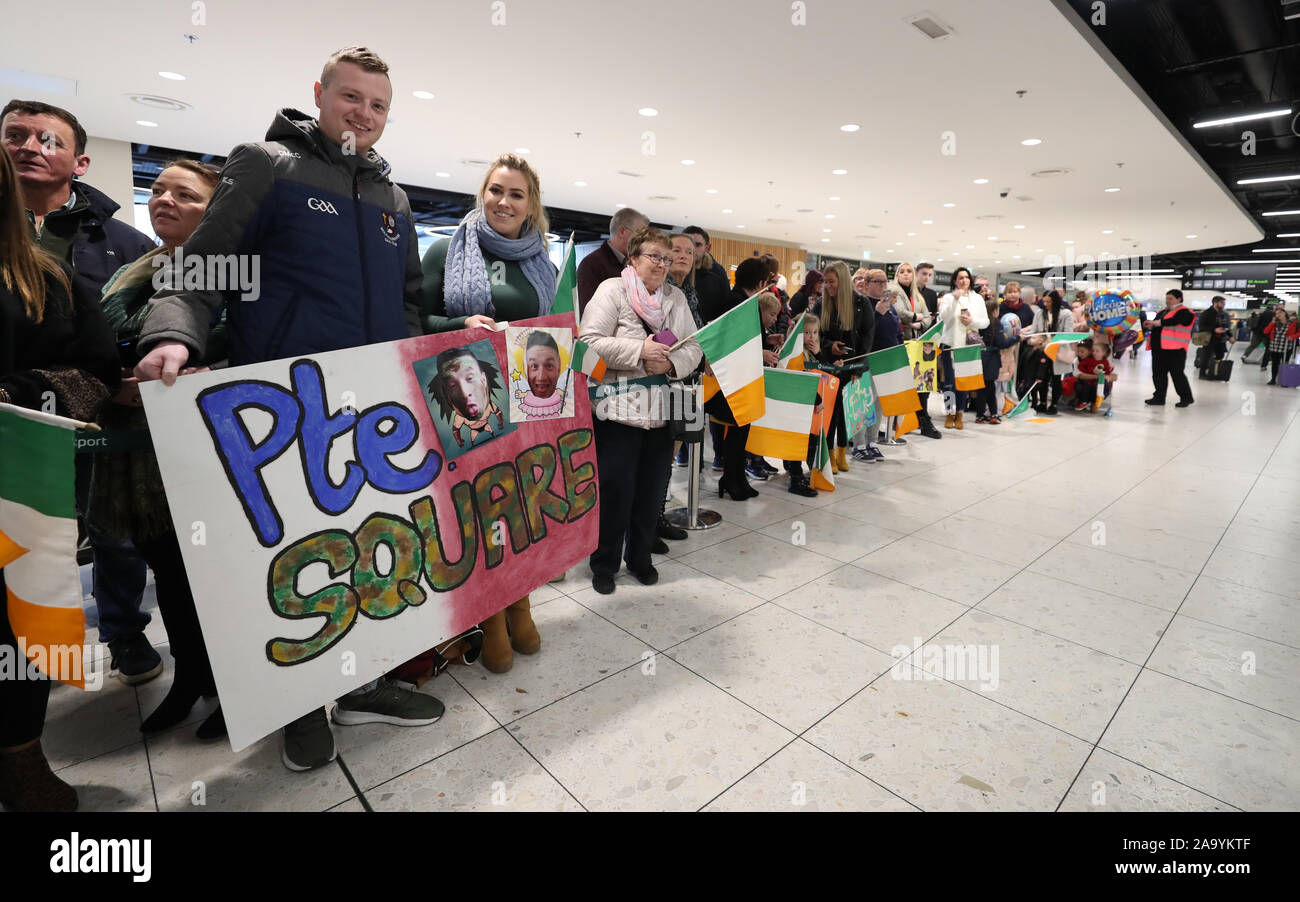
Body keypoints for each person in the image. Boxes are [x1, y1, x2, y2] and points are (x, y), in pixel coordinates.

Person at [133, 46, 445, 772]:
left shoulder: (393, 201)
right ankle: (299, 704)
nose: (364, 114)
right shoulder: (268, 164)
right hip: (282, 413)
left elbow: (405, 308)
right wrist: (174, 334)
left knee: (370, 547)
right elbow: (199, 271)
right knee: (294, 562)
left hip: (370, 416)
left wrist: (443, 352)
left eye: (379, 106)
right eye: (352, 97)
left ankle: (367, 683)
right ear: (320, 94)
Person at [2, 99, 160, 686]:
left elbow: (146, 320)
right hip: (11, 425)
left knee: (111, 530)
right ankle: (29, 674)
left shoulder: (123, 240)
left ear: (80, 161)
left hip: (100, 410)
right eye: (15, 136)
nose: (29, 147)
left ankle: (122, 634)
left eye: (49, 140)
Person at [88, 160, 233, 738]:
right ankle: (191, 676)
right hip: (133, 451)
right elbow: (100, 336)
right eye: (159, 190)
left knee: (217, 573)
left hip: (202, 445)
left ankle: (235, 682)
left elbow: (241, 350)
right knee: (168, 571)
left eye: (186, 195)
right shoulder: (131, 272)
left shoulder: (232, 276)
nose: (165, 200)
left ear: (216, 212)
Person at [0, 145, 120, 810]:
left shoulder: (44, 278)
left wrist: (13, 393)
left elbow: (95, 375)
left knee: (16, 625)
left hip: (19, 483)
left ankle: (19, 752)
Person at [422, 151, 558, 672]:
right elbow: (411, 319)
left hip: (522, 404)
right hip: (461, 408)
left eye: (516, 194)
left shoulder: (539, 262)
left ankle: (519, 601)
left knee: (518, 504)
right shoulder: (443, 251)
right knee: (476, 510)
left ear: (531, 205)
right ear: (483, 194)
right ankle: (488, 617)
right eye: (496, 190)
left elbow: (545, 328)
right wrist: (457, 326)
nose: (504, 201)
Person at [579, 226, 701, 594]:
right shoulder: (611, 291)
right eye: (654, 257)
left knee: (650, 493)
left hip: (662, 414)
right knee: (616, 491)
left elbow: (693, 349)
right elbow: (588, 344)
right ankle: (604, 563)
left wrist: (671, 365)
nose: (662, 264)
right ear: (633, 258)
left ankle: (640, 558)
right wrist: (639, 352)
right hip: (617, 413)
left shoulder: (675, 299)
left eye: (667, 258)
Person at [709, 258, 768, 495]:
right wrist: (761, 350)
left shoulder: (734, 300)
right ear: (762, 282)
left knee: (738, 432)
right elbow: (736, 341)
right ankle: (733, 481)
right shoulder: (743, 304)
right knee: (738, 432)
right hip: (736, 379)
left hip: (734, 377)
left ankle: (734, 479)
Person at [818, 261, 872, 470]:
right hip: (829, 369)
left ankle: (842, 454)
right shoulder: (821, 304)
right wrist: (830, 346)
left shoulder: (861, 303)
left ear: (843, 280)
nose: (828, 286)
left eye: (831, 282)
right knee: (830, 414)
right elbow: (813, 334)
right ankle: (830, 455)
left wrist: (857, 369)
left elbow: (868, 339)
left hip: (853, 369)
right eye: (825, 282)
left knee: (847, 414)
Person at [937, 266, 988, 429]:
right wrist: (954, 300)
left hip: (968, 347)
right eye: (960, 278)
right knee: (949, 383)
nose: (964, 280)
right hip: (950, 345)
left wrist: (972, 321)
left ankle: (959, 413)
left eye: (966, 277)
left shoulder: (978, 299)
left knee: (964, 382)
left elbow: (985, 322)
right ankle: (949, 413)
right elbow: (943, 317)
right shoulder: (948, 297)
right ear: (955, 281)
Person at [576, 207, 648, 314]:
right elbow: (588, 311)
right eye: (640, 236)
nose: (643, 242)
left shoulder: (634, 265)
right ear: (622, 231)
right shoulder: (591, 264)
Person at [782, 313, 822, 497]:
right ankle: (796, 478)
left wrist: (819, 354)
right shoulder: (796, 352)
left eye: (815, 332)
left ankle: (793, 468)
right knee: (797, 439)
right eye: (807, 332)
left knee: (800, 439)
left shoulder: (807, 350)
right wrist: (817, 399)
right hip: (797, 402)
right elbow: (802, 379)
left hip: (801, 403)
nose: (812, 337)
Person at [1025, 289, 1074, 414]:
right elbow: (1035, 330)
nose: (1045, 304)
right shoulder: (1040, 313)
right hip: (1042, 350)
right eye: (1044, 301)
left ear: (1055, 301)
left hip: (1058, 350)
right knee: (1042, 377)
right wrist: (1029, 338)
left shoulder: (1066, 314)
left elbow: (1068, 333)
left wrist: (1052, 340)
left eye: (1048, 302)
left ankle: (1054, 404)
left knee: (1056, 378)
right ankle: (1042, 402)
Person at [1145, 289, 1196, 408]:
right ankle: (1159, 397)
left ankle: (1186, 398)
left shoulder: (1185, 312)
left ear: (1179, 299)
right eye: (1167, 298)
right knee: (1158, 375)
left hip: (1176, 350)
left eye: (1170, 298)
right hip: (1159, 349)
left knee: (1177, 375)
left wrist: (1157, 323)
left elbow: (1175, 321)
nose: (1167, 301)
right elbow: (1158, 324)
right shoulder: (1162, 312)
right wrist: (1150, 325)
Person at [972, 296, 1015, 423]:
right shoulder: (996, 322)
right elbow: (1001, 343)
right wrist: (1016, 338)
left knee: (983, 387)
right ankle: (992, 414)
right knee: (989, 387)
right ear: (995, 310)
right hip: (992, 359)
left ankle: (984, 414)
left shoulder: (980, 322)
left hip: (979, 357)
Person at [914, 263, 942, 438]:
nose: (926, 277)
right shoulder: (909, 293)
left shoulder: (931, 295)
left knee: (925, 385)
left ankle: (923, 418)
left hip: (927, 343)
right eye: (923, 274)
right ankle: (912, 418)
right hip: (911, 342)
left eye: (929, 274)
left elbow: (931, 321)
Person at [684, 226, 731, 324]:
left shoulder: (718, 274)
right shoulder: (669, 273)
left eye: (697, 245)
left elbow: (726, 308)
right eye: (688, 244)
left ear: (707, 248)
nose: (692, 249)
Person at [1074, 339, 1117, 410]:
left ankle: (1094, 403)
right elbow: (1080, 371)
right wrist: (1093, 374)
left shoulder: (1105, 361)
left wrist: (1106, 375)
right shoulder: (1085, 360)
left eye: (1082, 352)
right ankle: (1084, 401)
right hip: (1088, 382)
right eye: (1094, 351)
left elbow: (1111, 374)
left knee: (1097, 388)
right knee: (1085, 386)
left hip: (1099, 383)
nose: (1094, 353)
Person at [1262, 307, 1298, 385]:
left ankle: (1284, 379)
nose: (1278, 315)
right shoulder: (1274, 323)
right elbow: (1266, 331)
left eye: (1280, 313)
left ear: (1285, 313)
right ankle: (1273, 379)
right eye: (1276, 313)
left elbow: (1298, 332)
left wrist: (1292, 337)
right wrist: (1272, 322)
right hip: (1275, 346)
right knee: (1275, 363)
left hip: (1286, 346)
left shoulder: (1292, 323)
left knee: (1285, 363)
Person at [1195, 295, 1229, 378]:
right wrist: (1214, 329)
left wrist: (1230, 336)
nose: (1223, 305)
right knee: (1206, 356)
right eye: (1222, 303)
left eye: (1224, 303)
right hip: (1209, 338)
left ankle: (1214, 372)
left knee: (1220, 355)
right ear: (1215, 303)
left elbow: (1226, 326)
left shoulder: (1223, 314)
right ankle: (1202, 374)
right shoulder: (1206, 313)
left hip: (1220, 339)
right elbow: (1201, 326)